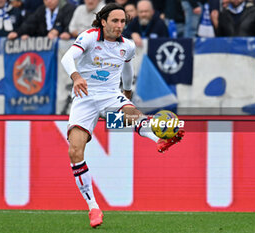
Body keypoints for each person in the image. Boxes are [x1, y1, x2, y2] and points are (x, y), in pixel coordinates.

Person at [61, 2, 184, 228]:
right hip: (84, 97)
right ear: (104, 21)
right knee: (74, 151)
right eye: (115, 21)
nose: (120, 26)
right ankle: (93, 207)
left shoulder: (127, 46)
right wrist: (77, 76)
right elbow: (66, 59)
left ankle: (159, 139)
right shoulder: (89, 37)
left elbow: (128, 70)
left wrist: (126, 93)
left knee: (131, 113)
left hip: (109, 94)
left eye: (123, 22)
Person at [7, 0, 75, 40]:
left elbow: (71, 25)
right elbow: (30, 23)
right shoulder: (41, 10)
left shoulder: (68, 8)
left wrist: (67, 33)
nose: (49, 1)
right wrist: (18, 33)